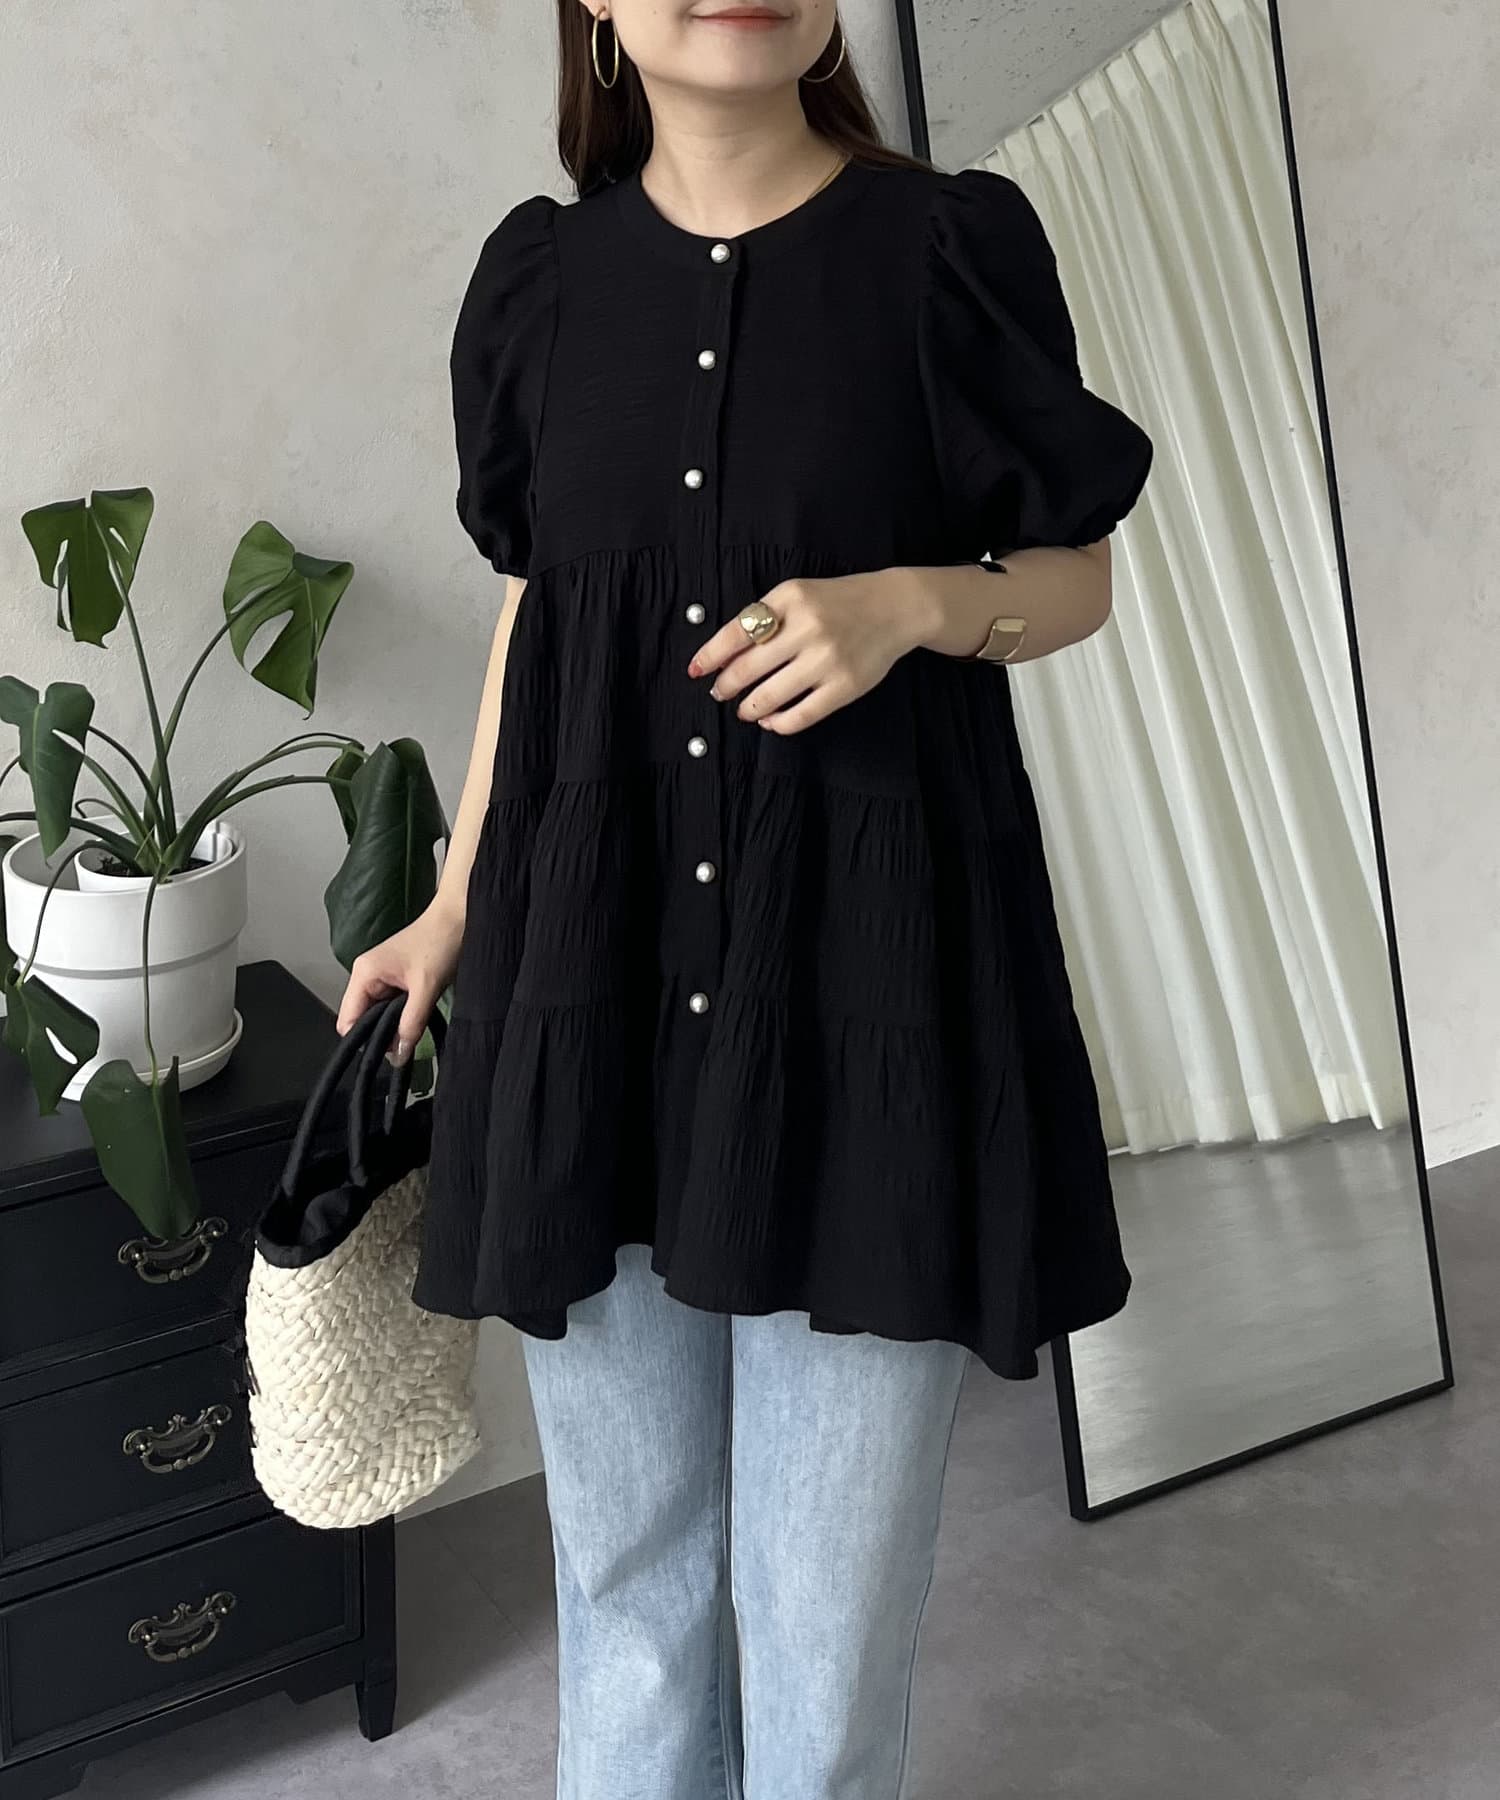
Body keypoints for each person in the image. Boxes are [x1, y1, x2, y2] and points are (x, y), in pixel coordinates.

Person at [336, 1, 1154, 1793]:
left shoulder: (945, 253)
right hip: (596, 992)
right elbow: (540, 619)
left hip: (871, 997)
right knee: (626, 1595)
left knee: (826, 1629)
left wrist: (913, 605)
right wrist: (456, 903)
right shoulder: (541, 289)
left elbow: (1079, 572)